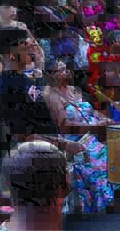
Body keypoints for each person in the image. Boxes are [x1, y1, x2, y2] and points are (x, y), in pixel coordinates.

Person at [42, 61, 113, 218]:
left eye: (65, 68)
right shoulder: (50, 95)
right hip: (74, 138)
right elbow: (63, 126)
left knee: (119, 147)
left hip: (93, 132)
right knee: (100, 153)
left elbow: (91, 111)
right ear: (50, 75)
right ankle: (101, 200)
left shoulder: (73, 89)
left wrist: (105, 120)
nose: (65, 72)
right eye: (59, 70)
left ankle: (113, 197)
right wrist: (94, 128)